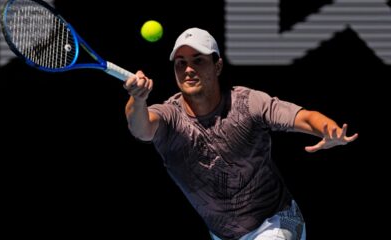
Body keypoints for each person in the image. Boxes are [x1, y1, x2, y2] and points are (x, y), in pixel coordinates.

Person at [123, 27, 358, 240]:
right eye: (180, 63)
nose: (188, 70)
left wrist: (329, 130)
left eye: (198, 60)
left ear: (218, 66)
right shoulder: (169, 117)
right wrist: (137, 98)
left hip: (274, 223)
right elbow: (140, 127)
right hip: (223, 235)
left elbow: (304, 117)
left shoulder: (247, 103)